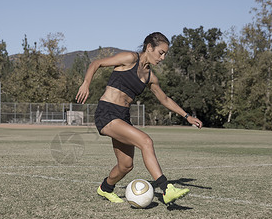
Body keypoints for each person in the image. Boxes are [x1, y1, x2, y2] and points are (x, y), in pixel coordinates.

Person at [75, 32, 203, 205]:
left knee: (126, 165)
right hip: (107, 112)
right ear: (149, 47)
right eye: (161, 52)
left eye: (165, 54)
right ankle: (166, 189)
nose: (163, 57)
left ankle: (105, 188)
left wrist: (186, 116)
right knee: (146, 141)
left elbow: (164, 99)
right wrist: (86, 83)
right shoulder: (129, 58)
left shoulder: (150, 77)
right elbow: (97, 63)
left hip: (123, 117)